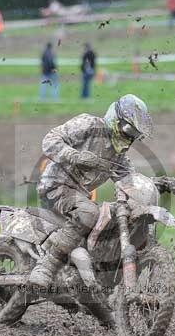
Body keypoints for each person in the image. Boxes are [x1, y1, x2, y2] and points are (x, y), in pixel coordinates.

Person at [27, 94, 153, 286]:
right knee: (88, 213)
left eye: (135, 134)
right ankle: (46, 266)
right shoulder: (89, 125)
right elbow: (50, 140)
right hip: (55, 186)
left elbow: (131, 181)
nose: (130, 137)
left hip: (79, 196)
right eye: (128, 129)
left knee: (111, 220)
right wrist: (74, 155)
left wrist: (163, 184)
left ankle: (94, 280)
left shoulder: (118, 157)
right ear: (115, 119)